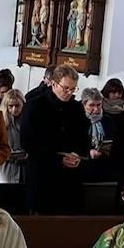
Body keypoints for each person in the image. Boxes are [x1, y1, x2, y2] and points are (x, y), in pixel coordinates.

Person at [20, 65, 90, 214]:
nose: (69, 93)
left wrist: (78, 155)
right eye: (66, 88)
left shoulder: (76, 108)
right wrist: (58, 159)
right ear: (54, 84)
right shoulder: (35, 105)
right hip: (43, 177)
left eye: (73, 89)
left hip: (70, 179)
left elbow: (84, 139)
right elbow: (28, 142)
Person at [0, 89, 27, 185]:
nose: (14, 109)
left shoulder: (27, 123)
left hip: (22, 169)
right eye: (11, 106)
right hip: (3, 170)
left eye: (17, 106)